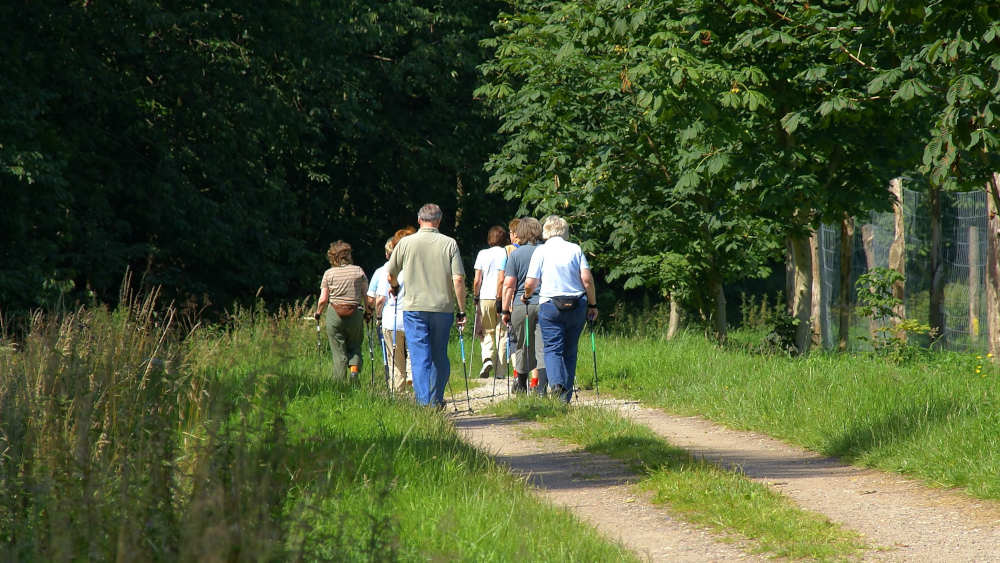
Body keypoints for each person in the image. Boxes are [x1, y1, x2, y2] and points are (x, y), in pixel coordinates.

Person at [386, 204, 467, 407]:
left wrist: (395, 287)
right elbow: (458, 279)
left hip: (414, 308)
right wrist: (462, 310)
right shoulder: (450, 243)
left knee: (420, 356)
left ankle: (425, 404)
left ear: (419, 220)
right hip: (442, 308)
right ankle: (436, 398)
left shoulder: (406, 243)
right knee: (439, 355)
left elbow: (390, 274)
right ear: (438, 221)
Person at [523, 216, 598, 403]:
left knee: (552, 348)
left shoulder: (541, 251)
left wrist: (526, 296)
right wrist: (593, 304)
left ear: (546, 231)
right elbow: (587, 280)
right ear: (565, 231)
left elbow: (531, 283)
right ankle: (565, 398)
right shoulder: (575, 249)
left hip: (550, 305)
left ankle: (556, 384)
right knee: (570, 351)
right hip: (577, 304)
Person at [501, 217, 547, 395]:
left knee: (522, 344)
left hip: (522, 305)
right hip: (545, 303)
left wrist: (505, 310)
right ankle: (541, 388)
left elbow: (509, 285)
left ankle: (521, 384)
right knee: (543, 347)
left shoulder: (516, 255)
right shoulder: (546, 251)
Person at [314, 241, 369, 381]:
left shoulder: (329, 274)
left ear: (333, 257)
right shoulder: (358, 271)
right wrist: (368, 311)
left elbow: (323, 299)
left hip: (335, 315)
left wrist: (318, 313)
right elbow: (366, 296)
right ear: (349, 255)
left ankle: (339, 384)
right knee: (355, 346)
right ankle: (354, 371)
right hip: (355, 313)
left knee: (338, 351)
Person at [376, 227, 416, 393]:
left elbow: (379, 299)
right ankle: (414, 382)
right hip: (413, 317)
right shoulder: (416, 267)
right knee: (414, 355)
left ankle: (398, 396)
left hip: (391, 320)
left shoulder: (387, 269)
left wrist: (377, 316)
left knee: (395, 362)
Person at [473, 226, 509, 379]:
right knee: (502, 332)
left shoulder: (482, 253)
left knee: (487, 331)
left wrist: (476, 296)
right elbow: (503, 278)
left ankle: (487, 358)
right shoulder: (505, 252)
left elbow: (477, 280)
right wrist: (501, 296)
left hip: (485, 297)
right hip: (501, 296)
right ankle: (500, 372)